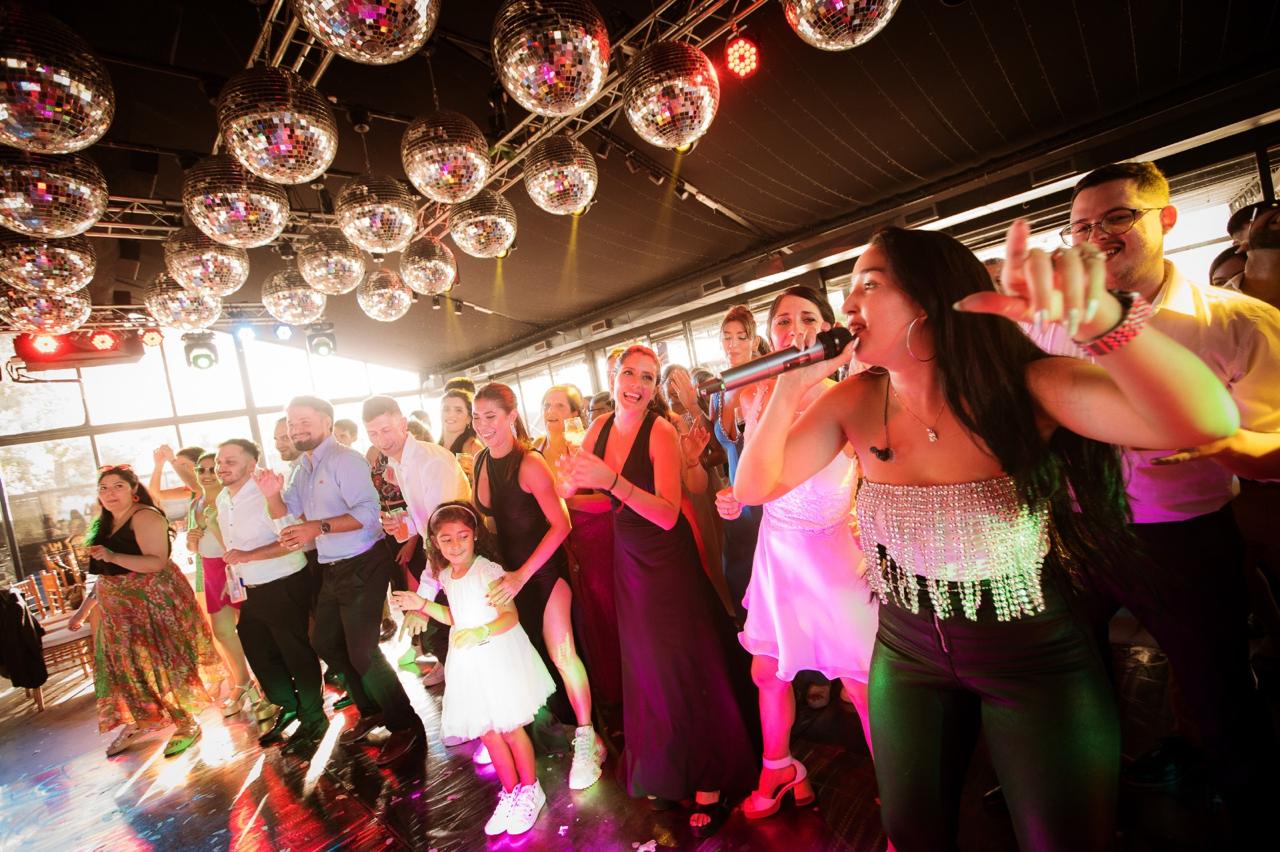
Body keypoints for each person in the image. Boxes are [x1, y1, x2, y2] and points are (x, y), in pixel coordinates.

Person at [733, 221, 1239, 851]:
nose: (849, 304)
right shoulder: (855, 400)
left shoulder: (1024, 387)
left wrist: (1105, 322)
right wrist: (791, 383)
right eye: (850, 289)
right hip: (907, 650)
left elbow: (1206, 419)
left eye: (870, 284)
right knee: (911, 835)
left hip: (1031, 653)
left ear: (928, 300)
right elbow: (756, 486)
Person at [1035, 163, 1280, 833]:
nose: (1097, 236)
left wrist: (1227, 443)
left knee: (1218, 690)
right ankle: (1091, 806)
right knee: (1071, 680)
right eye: (1082, 226)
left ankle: (1252, 811)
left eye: (1117, 217)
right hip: (1076, 532)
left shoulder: (1238, 322)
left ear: (1165, 219)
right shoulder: (1047, 326)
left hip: (1184, 535)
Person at [559, 346, 756, 838]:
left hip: (668, 562)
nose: (638, 384)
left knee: (684, 662)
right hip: (628, 558)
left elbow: (668, 514)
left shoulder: (661, 431)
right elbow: (586, 496)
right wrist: (567, 484)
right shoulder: (598, 428)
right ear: (613, 375)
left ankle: (709, 777)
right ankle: (668, 768)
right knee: (648, 666)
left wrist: (612, 481)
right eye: (630, 373)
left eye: (648, 377)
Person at [732, 286, 879, 821]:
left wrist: (865, 516)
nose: (794, 329)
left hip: (832, 549)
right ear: (771, 335)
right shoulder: (756, 396)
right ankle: (779, 767)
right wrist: (734, 497)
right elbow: (759, 479)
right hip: (777, 549)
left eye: (808, 319)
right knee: (766, 671)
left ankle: (899, 789)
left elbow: (875, 471)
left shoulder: (848, 393)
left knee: (860, 682)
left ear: (827, 328)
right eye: (783, 321)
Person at [256, 395, 423, 766]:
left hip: (364, 561)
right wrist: (271, 495)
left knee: (363, 651)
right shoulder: (301, 467)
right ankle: (372, 710)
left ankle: (406, 724)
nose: (296, 429)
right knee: (326, 641)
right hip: (331, 565)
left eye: (304, 421)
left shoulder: (345, 460)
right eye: (291, 423)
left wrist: (318, 527)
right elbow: (287, 515)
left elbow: (368, 514)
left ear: (327, 422)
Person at [472, 383, 605, 790]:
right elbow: (489, 524)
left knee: (563, 654)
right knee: (528, 661)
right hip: (511, 578)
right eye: (477, 418)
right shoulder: (480, 461)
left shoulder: (530, 462)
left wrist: (522, 574)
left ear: (512, 416)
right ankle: (558, 729)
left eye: (491, 417)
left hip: (546, 573)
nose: (482, 426)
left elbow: (561, 524)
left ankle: (589, 738)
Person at [392, 502, 553, 837]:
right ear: (435, 542)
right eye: (446, 539)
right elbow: (456, 616)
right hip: (468, 662)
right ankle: (509, 791)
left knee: (510, 729)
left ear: (475, 535)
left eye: (462, 536)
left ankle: (530, 788)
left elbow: (510, 617)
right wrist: (422, 604)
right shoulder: (446, 576)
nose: (455, 545)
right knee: (488, 733)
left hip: (496, 657)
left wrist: (481, 632)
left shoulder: (487, 571)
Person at [68, 465, 225, 758]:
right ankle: (143, 720)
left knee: (164, 662)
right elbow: (105, 574)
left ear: (134, 490)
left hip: (152, 605)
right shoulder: (104, 523)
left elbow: (156, 562)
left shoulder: (145, 516)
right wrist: (84, 610)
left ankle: (186, 722)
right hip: (119, 613)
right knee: (128, 668)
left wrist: (113, 555)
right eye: (104, 488)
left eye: (118, 486)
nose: (110, 493)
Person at [215, 439, 327, 758]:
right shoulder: (224, 498)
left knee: (295, 653)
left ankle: (314, 718)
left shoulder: (267, 495)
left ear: (252, 464)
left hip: (284, 582)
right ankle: (289, 706)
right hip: (251, 587)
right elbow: (233, 547)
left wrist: (248, 556)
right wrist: (234, 575)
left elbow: (293, 541)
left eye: (230, 461)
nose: (222, 467)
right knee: (259, 652)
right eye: (220, 461)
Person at [363, 395, 471, 690]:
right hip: (443, 557)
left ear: (402, 423)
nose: (381, 440)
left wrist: (423, 598)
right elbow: (428, 520)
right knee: (443, 636)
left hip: (461, 559)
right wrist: (404, 524)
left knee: (452, 634)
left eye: (386, 430)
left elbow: (446, 532)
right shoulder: (398, 463)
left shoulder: (430, 461)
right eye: (373, 434)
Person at [539, 384, 624, 720]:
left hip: (594, 540)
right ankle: (597, 700)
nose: (551, 411)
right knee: (577, 626)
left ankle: (619, 694)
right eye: (547, 404)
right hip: (558, 548)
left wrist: (564, 502)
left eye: (559, 405)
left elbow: (609, 500)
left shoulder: (583, 447)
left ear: (575, 414)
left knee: (604, 615)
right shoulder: (536, 450)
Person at [185, 451, 257, 717]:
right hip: (210, 570)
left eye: (210, 469)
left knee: (251, 627)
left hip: (236, 566)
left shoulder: (230, 499)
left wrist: (213, 525)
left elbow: (236, 543)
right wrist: (192, 539)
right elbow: (194, 547)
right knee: (222, 631)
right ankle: (243, 681)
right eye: (200, 470)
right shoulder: (196, 504)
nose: (206, 475)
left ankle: (263, 681)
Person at [660, 364, 732, 614]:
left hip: (706, 485)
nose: (673, 392)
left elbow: (720, 451)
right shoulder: (664, 420)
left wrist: (696, 461)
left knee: (716, 544)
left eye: (678, 386)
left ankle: (728, 604)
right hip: (680, 493)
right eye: (669, 387)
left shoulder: (695, 412)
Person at [710, 305, 765, 621]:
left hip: (766, 495)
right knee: (739, 576)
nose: (732, 345)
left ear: (754, 340)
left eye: (741, 337)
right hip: (735, 500)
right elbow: (720, 447)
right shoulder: (718, 391)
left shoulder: (767, 382)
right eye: (726, 337)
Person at [437, 387, 484, 479]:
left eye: (458, 410)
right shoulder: (435, 448)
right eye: (446, 409)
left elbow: (490, 483)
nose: (451, 414)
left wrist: (475, 474)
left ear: (469, 418)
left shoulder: (473, 447)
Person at [149, 445, 202, 524]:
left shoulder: (209, 485)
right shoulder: (191, 490)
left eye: (183, 465)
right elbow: (156, 494)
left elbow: (196, 487)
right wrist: (159, 465)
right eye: (178, 466)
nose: (179, 469)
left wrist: (172, 460)